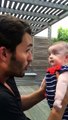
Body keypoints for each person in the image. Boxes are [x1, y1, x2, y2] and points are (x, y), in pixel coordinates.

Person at [0, 14, 46, 120]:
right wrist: (60, 105)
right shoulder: (2, 99)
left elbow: (14, 106)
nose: (31, 58)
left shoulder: (7, 76)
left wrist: (43, 92)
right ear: (4, 54)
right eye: (27, 50)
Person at [44, 41, 68, 120]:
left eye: (55, 53)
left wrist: (58, 99)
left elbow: (63, 82)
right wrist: (44, 91)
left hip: (63, 106)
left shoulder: (64, 71)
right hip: (55, 107)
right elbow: (44, 82)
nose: (50, 56)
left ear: (66, 57)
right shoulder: (52, 70)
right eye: (49, 54)